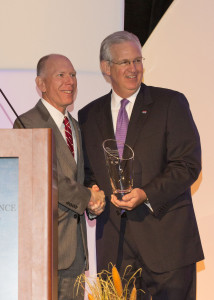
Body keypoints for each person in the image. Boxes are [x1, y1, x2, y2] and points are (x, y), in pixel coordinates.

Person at [78, 31, 204, 300]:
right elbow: (88, 174)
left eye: (137, 60)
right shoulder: (88, 116)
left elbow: (187, 165)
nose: (133, 69)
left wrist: (146, 193)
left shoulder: (170, 103)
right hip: (114, 248)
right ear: (106, 67)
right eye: (125, 62)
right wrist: (93, 194)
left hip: (167, 246)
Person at [13, 54, 105, 300]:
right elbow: (44, 176)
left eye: (73, 75)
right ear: (41, 84)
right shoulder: (26, 123)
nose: (70, 82)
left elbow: (78, 176)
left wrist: (95, 202)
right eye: (61, 75)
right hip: (44, 251)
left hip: (76, 251)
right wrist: (87, 197)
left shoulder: (75, 125)